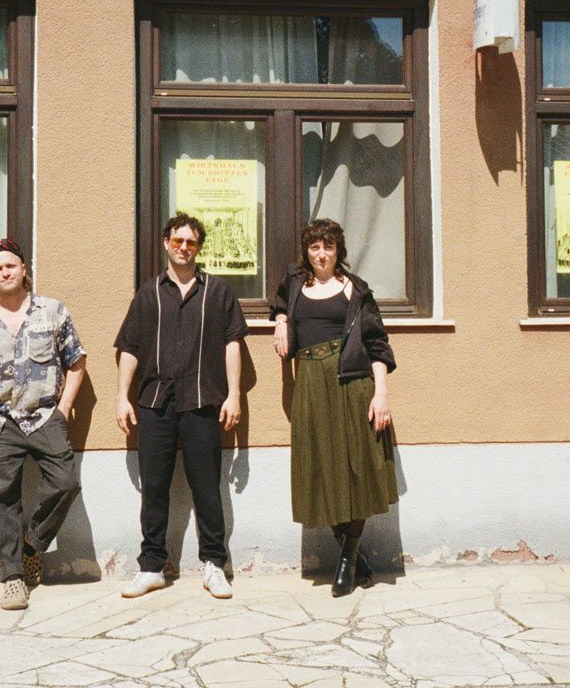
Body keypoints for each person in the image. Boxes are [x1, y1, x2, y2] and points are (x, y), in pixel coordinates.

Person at [114, 212, 247, 599]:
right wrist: (122, 396)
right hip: (154, 402)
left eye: (190, 242)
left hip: (203, 400)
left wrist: (234, 394)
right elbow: (129, 348)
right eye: (177, 241)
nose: (183, 248)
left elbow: (233, 344)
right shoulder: (148, 293)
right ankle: (152, 566)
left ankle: (214, 565)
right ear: (165, 244)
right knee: (154, 487)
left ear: (198, 247)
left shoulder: (218, 292)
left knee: (207, 486)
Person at [0, 238, 86, 611]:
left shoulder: (53, 312)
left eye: (11, 265)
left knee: (66, 482)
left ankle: (32, 542)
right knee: (2, 501)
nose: (5, 272)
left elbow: (77, 364)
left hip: (46, 416)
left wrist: (62, 411)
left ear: (24, 269)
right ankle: (13, 579)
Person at [271, 218, 398, 597]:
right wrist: (280, 320)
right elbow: (278, 304)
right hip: (310, 383)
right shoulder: (293, 285)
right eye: (314, 248)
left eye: (328, 247)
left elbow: (376, 344)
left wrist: (381, 393)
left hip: (353, 383)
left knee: (357, 469)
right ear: (306, 252)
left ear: (338, 250)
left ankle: (346, 559)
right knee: (321, 469)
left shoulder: (356, 290)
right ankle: (354, 555)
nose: (321, 254)